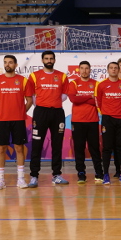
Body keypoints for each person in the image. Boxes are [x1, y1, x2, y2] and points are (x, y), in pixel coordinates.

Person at [0, 54, 33, 190]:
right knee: (1, 148)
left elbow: (29, 100)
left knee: (19, 148)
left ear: (16, 65)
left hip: (18, 120)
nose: (7, 64)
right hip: (2, 120)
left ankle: (21, 179)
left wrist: (21, 112)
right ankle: (0, 180)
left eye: (10, 62)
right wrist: (3, 110)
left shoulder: (23, 81)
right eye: (5, 62)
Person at [27, 50, 69, 188]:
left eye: (51, 58)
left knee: (57, 144)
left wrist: (53, 102)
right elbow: (31, 95)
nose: (49, 61)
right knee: (37, 145)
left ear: (54, 60)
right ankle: (34, 176)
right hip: (40, 113)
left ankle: (56, 175)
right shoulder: (34, 76)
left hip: (57, 113)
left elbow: (65, 95)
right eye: (46, 58)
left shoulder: (62, 76)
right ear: (42, 60)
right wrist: (42, 104)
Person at [95, 61, 121, 184]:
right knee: (107, 148)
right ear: (108, 70)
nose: (114, 70)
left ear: (118, 70)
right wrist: (106, 113)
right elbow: (98, 101)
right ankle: (106, 174)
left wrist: (120, 111)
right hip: (108, 119)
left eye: (116, 68)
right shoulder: (101, 85)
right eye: (111, 68)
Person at [67, 60, 103, 184]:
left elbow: (97, 101)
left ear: (90, 70)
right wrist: (89, 96)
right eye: (82, 68)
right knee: (79, 148)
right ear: (79, 70)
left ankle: (99, 172)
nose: (84, 71)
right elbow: (74, 99)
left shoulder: (96, 84)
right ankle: (81, 173)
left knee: (95, 148)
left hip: (92, 121)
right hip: (77, 121)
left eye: (86, 68)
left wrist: (82, 98)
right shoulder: (74, 83)